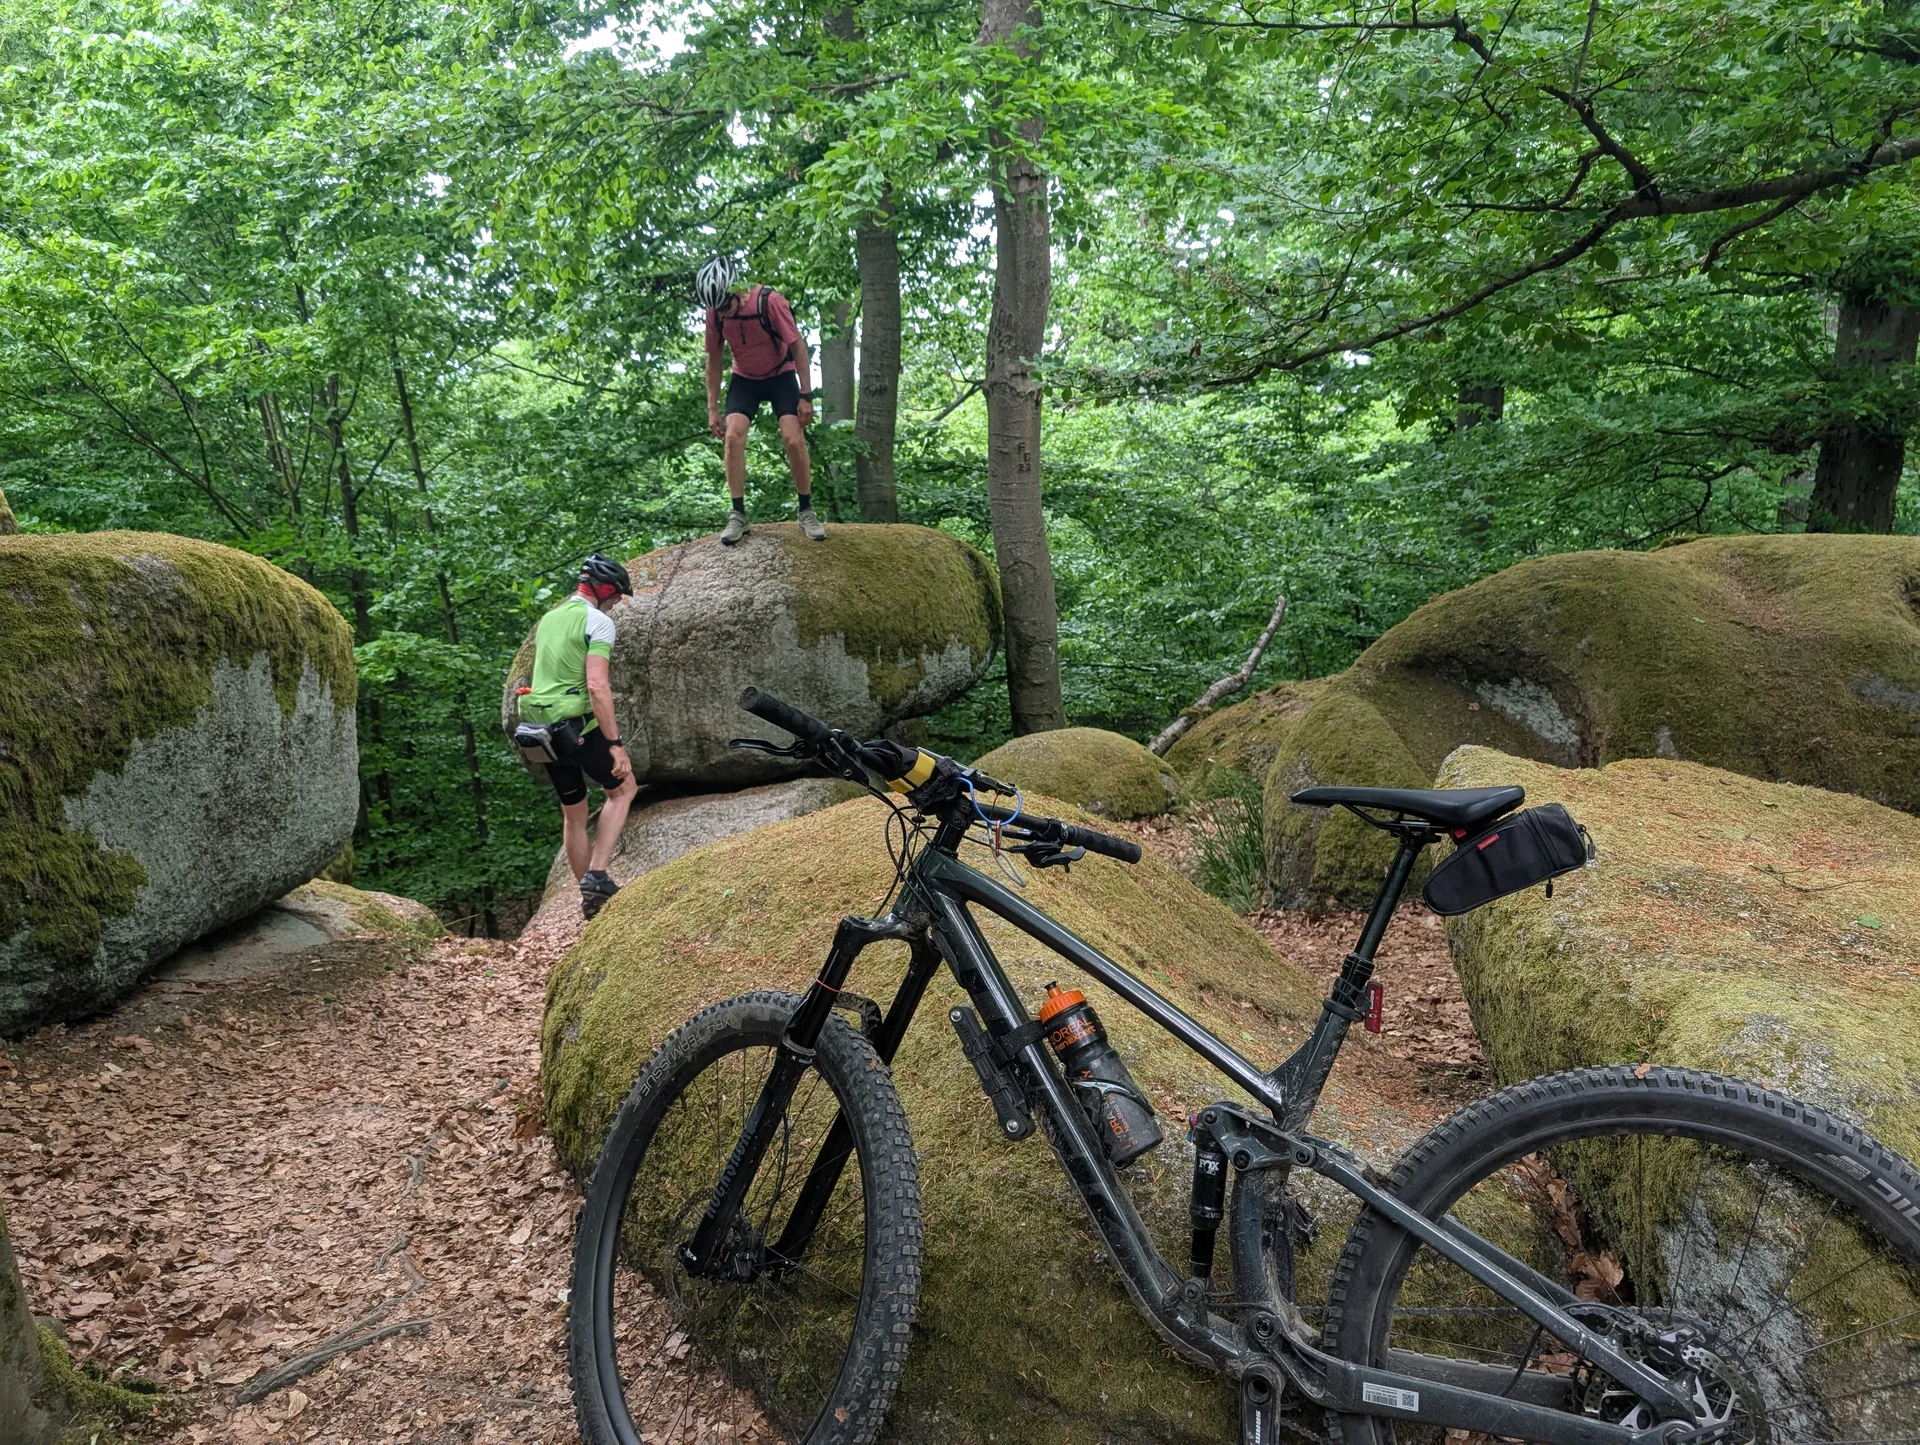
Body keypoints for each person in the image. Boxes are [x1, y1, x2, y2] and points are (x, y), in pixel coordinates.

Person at [518, 554, 640, 920]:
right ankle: (597, 877)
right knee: (624, 788)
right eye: (617, 594)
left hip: (541, 733)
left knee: (573, 814)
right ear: (603, 590)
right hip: (578, 728)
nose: (619, 601)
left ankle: (589, 899)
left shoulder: (548, 620)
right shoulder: (597, 622)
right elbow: (596, 685)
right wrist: (616, 744)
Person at [697, 254, 826, 546]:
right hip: (745, 379)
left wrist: (806, 395)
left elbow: (798, 347)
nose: (722, 313)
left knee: (793, 439)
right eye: (716, 309)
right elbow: (714, 360)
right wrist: (712, 408)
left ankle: (806, 509)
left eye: (725, 306)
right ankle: (738, 514)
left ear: (736, 291)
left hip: (781, 375)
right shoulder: (716, 312)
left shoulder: (769, 302)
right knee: (733, 437)